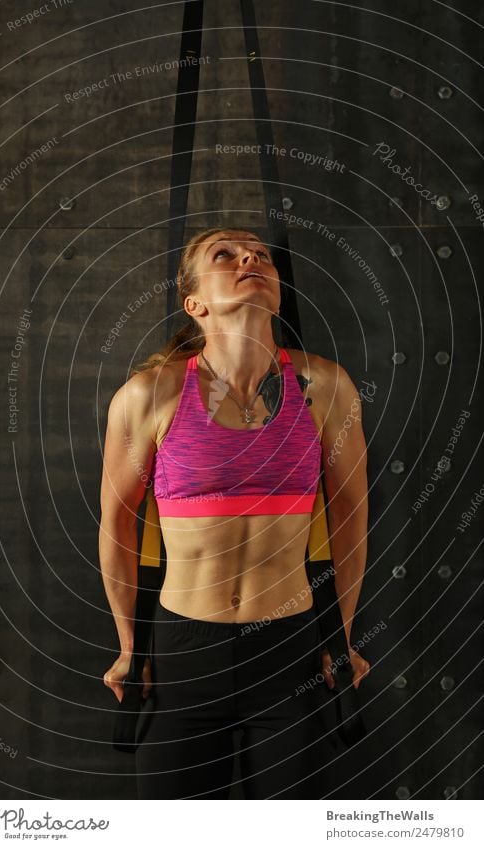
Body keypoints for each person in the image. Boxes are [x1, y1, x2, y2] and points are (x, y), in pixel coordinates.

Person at [98, 227, 369, 799]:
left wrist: (340, 638)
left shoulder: (326, 387)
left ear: (276, 292)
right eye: (225, 254)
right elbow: (118, 522)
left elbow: (349, 518)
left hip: (289, 653)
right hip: (183, 656)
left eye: (261, 255)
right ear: (194, 304)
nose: (250, 258)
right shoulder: (150, 395)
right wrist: (130, 646)